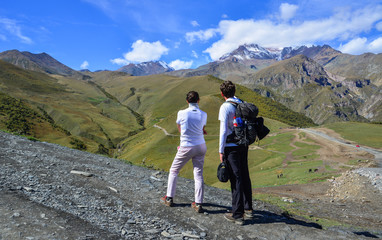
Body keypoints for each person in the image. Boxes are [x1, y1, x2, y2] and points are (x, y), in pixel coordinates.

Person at [161, 91, 207, 213]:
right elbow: (202, 129)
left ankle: (169, 198)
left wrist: (183, 143)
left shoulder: (181, 113)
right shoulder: (204, 114)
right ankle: (198, 203)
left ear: (187, 101)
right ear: (198, 100)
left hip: (187, 146)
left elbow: (179, 127)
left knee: (174, 170)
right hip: (201, 146)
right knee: (198, 174)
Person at [218, 80, 253, 225]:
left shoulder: (225, 107)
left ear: (222, 94)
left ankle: (237, 214)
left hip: (231, 146)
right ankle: (248, 208)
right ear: (234, 91)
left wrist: (221, 150)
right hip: (243, 145)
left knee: (235, 178)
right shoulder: (241, 103)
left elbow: (223, 130)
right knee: (244, 175)